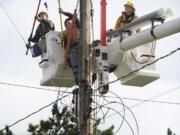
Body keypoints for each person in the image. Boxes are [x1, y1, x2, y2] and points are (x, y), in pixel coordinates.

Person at [59, 8, 81, 85]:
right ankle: (77, 76)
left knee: (85, 59)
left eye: (70, 21)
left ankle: (91, 74)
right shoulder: (64, 33)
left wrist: (63, 12)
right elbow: (63, 45)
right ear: (65, 25)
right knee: (72, 57)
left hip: (81, 45)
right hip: (72, 48)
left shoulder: (77, 26)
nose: (69, 23)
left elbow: (73, 16)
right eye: (67, 23)